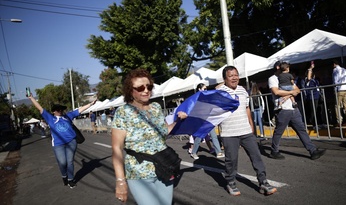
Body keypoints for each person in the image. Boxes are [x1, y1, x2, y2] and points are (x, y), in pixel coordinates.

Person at [111, 68, 187, 204]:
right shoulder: (123, 112)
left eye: (149, 86)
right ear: (130, 90)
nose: (146, 90)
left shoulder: (156, 108)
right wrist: (120, 181)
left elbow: (163, 132)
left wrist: (178, 121)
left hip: (165, 166)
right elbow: (117, 148)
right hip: (139, 172)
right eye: (140, 88)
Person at [216, 66, 277, 196]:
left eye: (236, 75)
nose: (234, 78)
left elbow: (247, 108)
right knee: (231, 160)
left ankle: (263, 182)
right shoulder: (219, 92)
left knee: (256, 157)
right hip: (229, 133)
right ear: (224, 78)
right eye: (231, 75)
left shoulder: (243, 90)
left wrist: (251, 126)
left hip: (246, 131)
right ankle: (231, 182)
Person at [27, 94, 96, 188]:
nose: (60, 111)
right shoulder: (50, 118)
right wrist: (31, 98)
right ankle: (64, 175)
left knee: (70, 161)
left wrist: (91, 104)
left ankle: (71, 179)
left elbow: (80, 110)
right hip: (58, 144)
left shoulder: (67, 116)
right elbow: (40, 108)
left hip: (71, 142)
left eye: (61, 110)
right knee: (62, 162)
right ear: (53, 111)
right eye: (58, 110)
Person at [268, 61, 326, 160]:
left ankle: (313, 151)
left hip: (293, 108)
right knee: (279, 131)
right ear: (278, 67)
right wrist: (291, 92)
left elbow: (298, 90)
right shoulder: (272, 79)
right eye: (283, 67)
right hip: (282, 109)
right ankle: (274, 151)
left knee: (301, 129)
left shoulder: (288, 76)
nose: (285, 69)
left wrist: (288, 95)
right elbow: (276, 91)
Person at [190, 83, 225, 159]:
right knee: (199, 137)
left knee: (214, 136)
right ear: (199, 89)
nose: (206, 90)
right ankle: (193, 152)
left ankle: (218, 152)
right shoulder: (196, 97)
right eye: (204, 88)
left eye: (206, 89)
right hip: (201, 120)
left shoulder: (207, 96)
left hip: (209, 119)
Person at [332, 59, 346, 127]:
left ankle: (339, 121)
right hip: (345, 88)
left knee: (337, 105)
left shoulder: (335, 70)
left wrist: (335, 89)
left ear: (334, 64)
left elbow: (335, 80)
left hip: (339, 89)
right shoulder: (344, 70)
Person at [304, 63, 321, 129]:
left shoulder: (315, 80)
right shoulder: (307, 80)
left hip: (316, 96)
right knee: (313, 110)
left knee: (317, 110)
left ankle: (319, 123)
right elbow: (308, 77)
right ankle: (314, 124)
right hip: (311, 97)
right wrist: (310, 68)